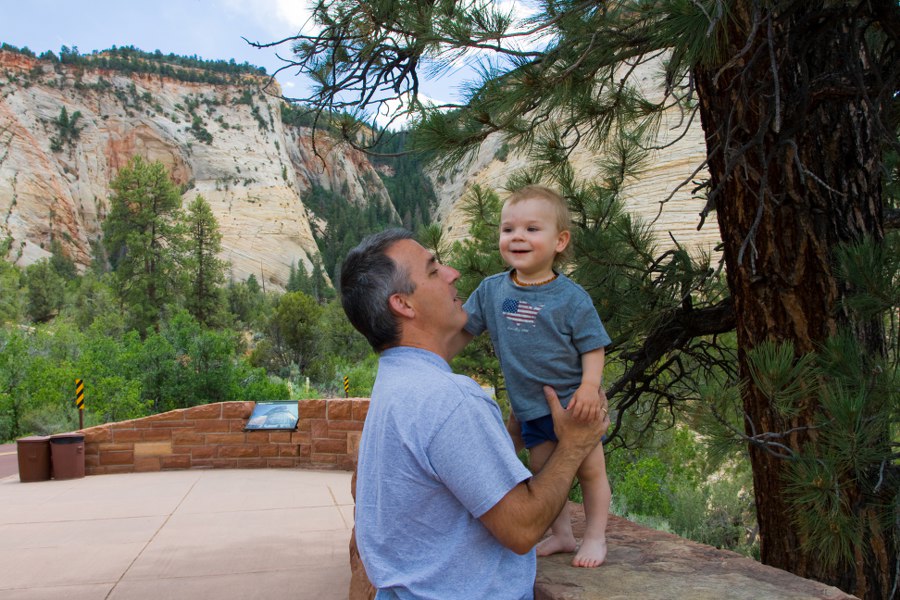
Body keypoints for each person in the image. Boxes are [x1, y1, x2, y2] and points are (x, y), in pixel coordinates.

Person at [341, 228, 609, 599]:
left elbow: (444, 475)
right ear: (403, 304)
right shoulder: (448, 398)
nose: (452, 274)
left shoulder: (396, 383)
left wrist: (508, 439)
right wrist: (576, 444)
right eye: (434, 271)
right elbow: (522, 528)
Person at [461, 185, 613, 568]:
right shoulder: (491, 291)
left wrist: (589, 388)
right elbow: (463, 329)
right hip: (531, 409)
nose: (517, 237)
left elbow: (593, 346)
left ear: (560, 241)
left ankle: (596, 537)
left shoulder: (572, 298)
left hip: (574, 407)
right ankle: (562, 534)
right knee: (545, 475)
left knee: (591, 472)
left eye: (532, 229)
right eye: (508, 229)